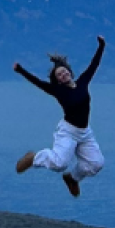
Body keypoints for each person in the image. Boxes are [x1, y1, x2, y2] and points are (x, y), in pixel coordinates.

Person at [12, 35, 106, 197]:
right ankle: (34, 157)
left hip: (85, 133)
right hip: (68, 132)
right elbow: (37, 82)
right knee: (59, 163)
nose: (63, 75)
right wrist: (20, 70)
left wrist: (101, 45)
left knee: (96, 164)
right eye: (59, 76)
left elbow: (94, 64)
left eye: (64, 72)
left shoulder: (83, 82)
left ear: (69, 71)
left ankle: (72, 178)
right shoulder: (58, 91)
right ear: (58, 81)